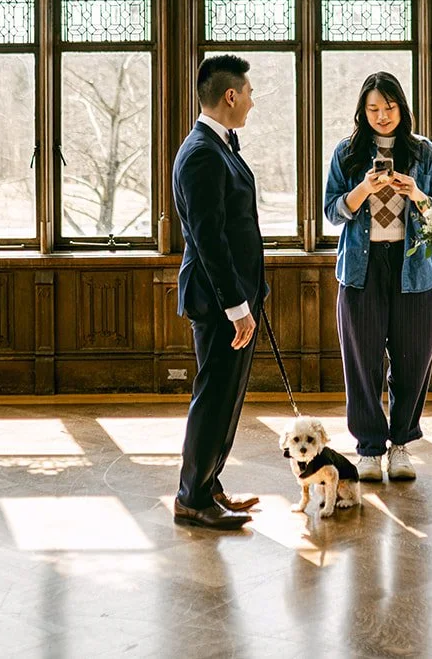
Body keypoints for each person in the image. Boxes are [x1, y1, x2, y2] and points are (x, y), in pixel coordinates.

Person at [323, 73, 432, 483]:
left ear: (402, 108)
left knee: (414, 360)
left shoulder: (424, 153)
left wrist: (416, 193)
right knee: (362, 362)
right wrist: (361, 191)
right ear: (362, 110)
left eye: (389, 107)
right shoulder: (346, 153)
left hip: (415, 268)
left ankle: (401, 445)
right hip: (362, 268)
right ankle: (370, 450)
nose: (381, 116)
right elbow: (331, 212)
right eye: (373, 108)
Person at [171, 55, 267, 530]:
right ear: (230, 95)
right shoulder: (202, 153)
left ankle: (210, 485)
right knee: (213, 397)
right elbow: (210, 239)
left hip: (236, 298)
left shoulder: (220, 146)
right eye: (248, 92)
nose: (252, 101)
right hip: (218, 302)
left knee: (228, 397)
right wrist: (237, 307)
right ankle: (192, 497)